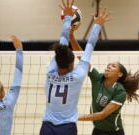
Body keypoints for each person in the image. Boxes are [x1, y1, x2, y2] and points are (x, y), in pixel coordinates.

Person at [39, 0, 110, 134]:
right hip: (67, 128)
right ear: (72, 63)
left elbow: (63, 42)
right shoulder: (77, 76)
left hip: (47, 126)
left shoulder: (50, 71)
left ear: (57, 60)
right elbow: (89, 47)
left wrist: (67, 18)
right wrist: (97, 26)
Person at [70, 15, 139, 135]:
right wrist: (71, 36)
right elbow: (83, 59)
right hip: (98, 130)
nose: (109, 66)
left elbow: (102, 114)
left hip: (114, 132)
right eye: (108, 65)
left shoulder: (120, 92)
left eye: (113, 66)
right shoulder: (98, 78)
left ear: (119, 74)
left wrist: (74, 117)